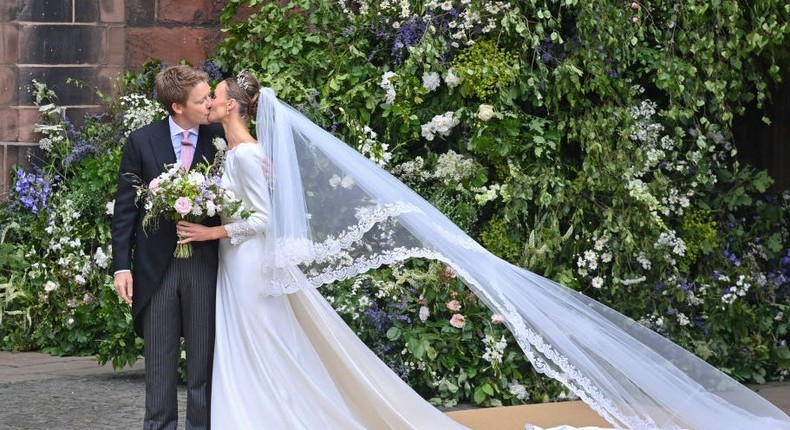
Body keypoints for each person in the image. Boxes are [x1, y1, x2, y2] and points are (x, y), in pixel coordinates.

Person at [177, 71, 790, 430]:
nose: (210, 101)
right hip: (239, 263)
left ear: (233, 104)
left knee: (267, 343)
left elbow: (263, 219)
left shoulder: (246, 153)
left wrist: (212, 231)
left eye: (217, 95)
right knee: (261, 345)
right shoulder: (231, 153)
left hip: (247, 261)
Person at [112, 65, 224, 430]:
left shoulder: (220, 138)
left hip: (205, 264)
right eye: (201, 99)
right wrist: (121, 266)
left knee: (203, 364)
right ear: (177, 106)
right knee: (159, 365)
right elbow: (126, 210)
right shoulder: (142, 141)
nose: (209, 103)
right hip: (155, 269)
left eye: (208, 96)